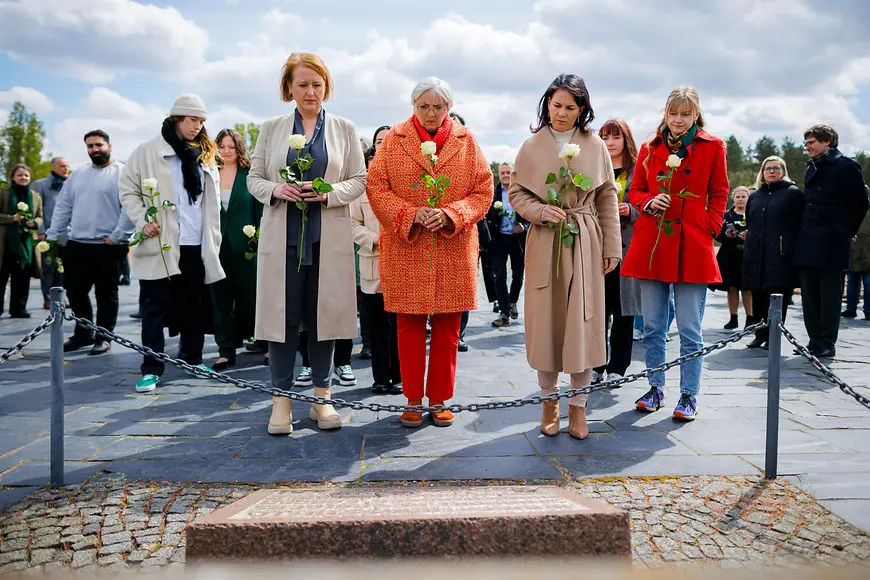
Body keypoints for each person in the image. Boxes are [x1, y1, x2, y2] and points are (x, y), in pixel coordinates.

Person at [247, 52, 366, 435]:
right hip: (283, 238)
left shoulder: (345, 128)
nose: (310, 91)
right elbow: (254, 178)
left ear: (326, 87)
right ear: (289, 89)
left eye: (317, 84)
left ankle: (322, 399)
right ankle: (280, 403)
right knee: (281, 319)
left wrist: (328, 193)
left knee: (324, 318)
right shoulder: (271, 128)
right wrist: (277, 189)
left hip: (326, 237)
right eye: (302, 84)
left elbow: (358, 179)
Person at [367, 77, 492, 428]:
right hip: (407, 247)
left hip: (453, 247)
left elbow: (484, 191)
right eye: (424, 106)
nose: (431, 113)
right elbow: (376, 186)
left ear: (448, 108)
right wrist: (410, 214)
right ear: (413, 106)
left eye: (438, 107)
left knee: (448, 328)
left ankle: (438, 399)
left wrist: (452, 214)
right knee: (407, 326)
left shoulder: (467, 142)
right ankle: (411, 398)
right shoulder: (393, 140)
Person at [508, 74, 620, 439]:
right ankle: (549, 405)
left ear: (582, 109)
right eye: (556, 105)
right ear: (547, 104)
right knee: (547, 324)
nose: (561, 113)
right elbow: (517, 194)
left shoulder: (596, 146)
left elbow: (607, 199)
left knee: (583, 326)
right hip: (546, 242)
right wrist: (539, 212)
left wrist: (611, 247)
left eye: (570, 107)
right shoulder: (530, 146)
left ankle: (579, 409)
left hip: (586, 241)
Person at [621, 86, 729, 421]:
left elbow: (720, 191)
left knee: (689, 328)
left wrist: (709, 226)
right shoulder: (649, 149)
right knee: (653, 327)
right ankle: (655, 388)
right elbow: (635, 189)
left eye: (685, 114)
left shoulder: (713, 147)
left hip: (693, 246)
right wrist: (648, 202)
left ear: (696, 114)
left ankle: (689, 395)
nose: (679, 120)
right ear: (665, 114)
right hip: (653, 244)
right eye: (673, 114)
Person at [119, 94, 225, 393]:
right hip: (161, 243)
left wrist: (212, 239)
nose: (197, 126)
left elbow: (210, 202)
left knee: (194, 307)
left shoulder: (203, 152)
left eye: (202, 121)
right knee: (154, 308)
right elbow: (128, 189)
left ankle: (192, 359)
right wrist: (143, 220)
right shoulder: (147, 151)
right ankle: (151, 368)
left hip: (195, 243)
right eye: (192, 120)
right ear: (176, 118)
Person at [47, 130, 132, 355]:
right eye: (90, 146)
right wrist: (54, 233)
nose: (94, 149)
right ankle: (84, 333)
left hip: (108, 245)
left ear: (109, 146)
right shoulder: (78, 174)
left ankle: (104, 336)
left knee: (106, 294)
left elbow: (129, 209)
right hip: (77, 243)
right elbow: (64, 205)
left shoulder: (122, 172)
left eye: (98, 145)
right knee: (75, 292)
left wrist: (117, 236)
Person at [794, 124, 869, 358]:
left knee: (829, 293)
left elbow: (860, 202)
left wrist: (847, 230)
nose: (807, 146)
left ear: (828, 142)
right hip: (808, 240)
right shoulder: (811, 167)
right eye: (805, 142)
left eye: (812, 142)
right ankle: (813, 339)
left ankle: (826, 341)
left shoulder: (846, 166)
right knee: (810, 293)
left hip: (832, 239)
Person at [352, 124, 402, 394]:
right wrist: (374, 239)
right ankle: (381, 377)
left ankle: (401, 376)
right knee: (377, 325)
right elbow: (350, 223)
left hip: (402, 265)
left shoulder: (406, 185)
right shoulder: (362, 188)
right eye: (378, 143)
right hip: (372, 263)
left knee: (401, 326)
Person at [593, 118, 642, 383]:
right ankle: (596, 365)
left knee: (624, 311)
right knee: (598, 311)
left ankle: (618, 367)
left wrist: (631, 210)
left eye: (615, 138)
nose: (610, 143)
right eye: (605, 137)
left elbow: (647, 204)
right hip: (598, 249)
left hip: (628, 248)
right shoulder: (594, 168)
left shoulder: (637, 171)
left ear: (626, 139)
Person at [210, 128, 263, 370]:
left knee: (252, 297)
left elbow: (260, 210)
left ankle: (263, 344)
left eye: (231, 146)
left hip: (247, 247)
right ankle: (224, 350)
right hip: (216, 247)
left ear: (239, 148)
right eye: (222, 146)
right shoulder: (209, 173)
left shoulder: (250, 174)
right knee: (220, 300)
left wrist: (260, 240)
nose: (226, 151)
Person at [742, 156, 805, 349]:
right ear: (762, 172)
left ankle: (774, 336)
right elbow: (750, 222)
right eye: (768, 168)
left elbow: (799, 223)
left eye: (776, 168)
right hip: (756, 253)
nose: (772, 171)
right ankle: (760, 334)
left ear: (783, 171)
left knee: (777, 296)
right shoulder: (755, 196)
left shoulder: (793, 193)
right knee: (758, 293)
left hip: (779, 254)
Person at [488, 162, 527, 328]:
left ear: (513, 174)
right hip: (499, 239)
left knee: (518, 274)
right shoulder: (493, 193)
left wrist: (523, 225)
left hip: (517, 239)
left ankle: (512, 302)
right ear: (498, 174)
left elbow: (529, 211)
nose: (505, 175)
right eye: (502, 172)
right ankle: (504, 313)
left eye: (508, 172)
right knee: (500, 276)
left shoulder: (522, 192)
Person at [0, 164, 43, 318]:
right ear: (13, 177)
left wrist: (35, 223)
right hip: (5, 244)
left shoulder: (35, 196)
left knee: (23, 277)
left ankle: (19, 309)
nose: (23, 178)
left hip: (26, 244)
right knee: (2, 276)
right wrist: (12, 218)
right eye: (20, 175)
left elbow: (40, 216)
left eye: (26, 175)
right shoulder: (3, 193)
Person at [711, 186, 753, 329]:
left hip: (748, 256)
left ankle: (750, 318)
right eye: (738, 197)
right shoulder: (726, 215)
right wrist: (726, 235)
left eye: (743, 197)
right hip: (729, 257)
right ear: (733, 198)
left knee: (747, 288)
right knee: (732, 288)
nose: (740, 200)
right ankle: (733, 318)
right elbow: (717, 234)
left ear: (748, 198)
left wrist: (749, 236)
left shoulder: (753, 215)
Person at [32, 157, 70, 309]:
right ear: (53, 167)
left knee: (63, 268)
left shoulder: (70, 184)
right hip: (47, 234)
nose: (66, 169)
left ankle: (61, 296)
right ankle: (48, 297)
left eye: (67, 166)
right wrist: (40, 231)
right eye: (62, 166)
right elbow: (35, 209)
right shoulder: (40, 184)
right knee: (48, 268)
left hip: (67, 235)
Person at [843, 186, 870, 321]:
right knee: (852, 282)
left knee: (868, 282)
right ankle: (850, 308)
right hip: (852, 253)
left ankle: (868, 310)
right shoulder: (849, 211)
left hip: (867, 254)